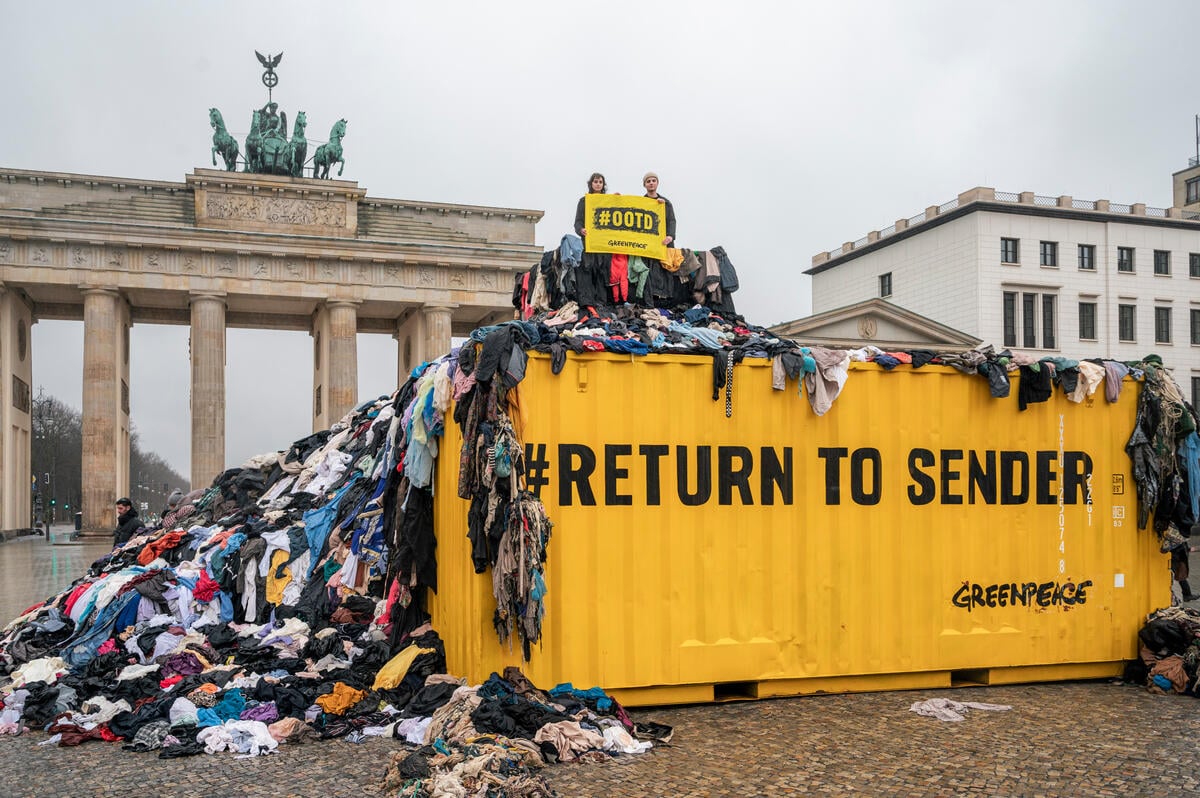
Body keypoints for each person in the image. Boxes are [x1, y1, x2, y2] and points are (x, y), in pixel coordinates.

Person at [642, 172, 676, 246]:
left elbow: (671, 220)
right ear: (644, 185)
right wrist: (617, 199)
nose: (651, 183)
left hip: (664, 243)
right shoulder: (641, 203)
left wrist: (670, 236)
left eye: (654, 180)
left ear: (657, 183)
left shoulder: (666, 203)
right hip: (647, 243)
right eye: (648, 181)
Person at [574, 172, 607, 239]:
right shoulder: (583, 201)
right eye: (595, 182)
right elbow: (578, 222)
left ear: (603, 185)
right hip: (589, 241)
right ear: (591, 184)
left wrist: (616, 200)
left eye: (600, 182)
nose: (598, 184)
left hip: (604, 241)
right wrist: (581, 230)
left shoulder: (608, 201)